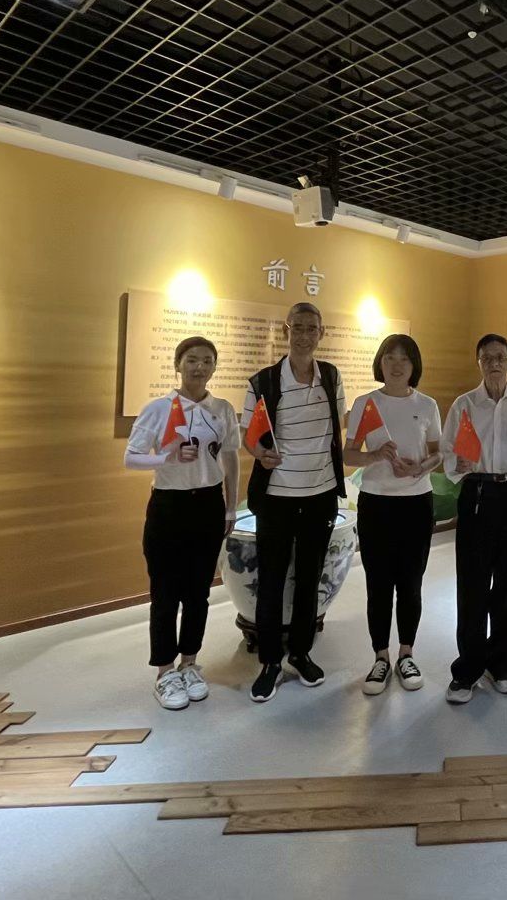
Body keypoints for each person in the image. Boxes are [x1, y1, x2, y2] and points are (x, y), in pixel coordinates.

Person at [124, 336, 240, 710]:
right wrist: (166, 457)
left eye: (207, 360)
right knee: (165, 593)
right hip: (168, 506)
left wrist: (230, 508)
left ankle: (190, 663)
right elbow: (131, 457)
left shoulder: (222, 409)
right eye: (191, 360)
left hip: (208, 504)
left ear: (214, 367)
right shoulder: (158, 409)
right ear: (178, 364)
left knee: (198, 593)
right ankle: (164, 671)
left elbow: (231, 459)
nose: (199, 367)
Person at [241, 302, 346, 703]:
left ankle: (300, 653)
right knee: (270, 580)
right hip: (277, 498)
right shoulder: (264, 381)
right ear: (287, 331)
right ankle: (270, 661)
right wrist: (260, 454)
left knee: (309, 578)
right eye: (297, 327)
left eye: (311, 328)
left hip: (320, 494)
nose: (304, 335)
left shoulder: (331, 377)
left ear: (322, 333)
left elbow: (336, 429)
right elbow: (249, 434)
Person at [440, 333, 507, 704]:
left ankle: (501, 664)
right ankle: (467, 669)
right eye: (487, 358)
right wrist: (456, 464)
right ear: (479, 363)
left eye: (501, 357)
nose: (495, 364)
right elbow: (447, 450)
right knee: (472, 584)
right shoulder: (465, 404)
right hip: (478, 493)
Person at [344, 334, 443, 695]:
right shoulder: (365, 403)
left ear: (414, 365)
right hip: (376, 503)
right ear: (380, 363)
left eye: (404, 358)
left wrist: (421, 467)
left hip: (416, 504)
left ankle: (406, 654)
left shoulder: (427, 405)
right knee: (379, 584)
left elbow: (438, 453)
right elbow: (347, 454)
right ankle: (380, 658)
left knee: (411, 583)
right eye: (389, 357)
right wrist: (375, 456)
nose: (397, 365)